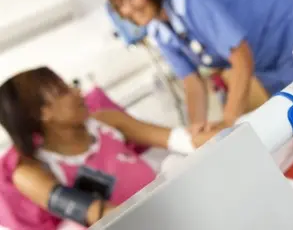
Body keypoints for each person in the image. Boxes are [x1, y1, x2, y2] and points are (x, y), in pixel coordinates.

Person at [102, 0, 293, 135]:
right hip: (268, 60)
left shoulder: (190, 1)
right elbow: (191, 81)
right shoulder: (158, 30)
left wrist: (228, 121)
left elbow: (241, 57)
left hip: (290, 30)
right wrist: (197, 128)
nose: (128, 10)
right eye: (119, 5)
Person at [0, 67, 217, 229]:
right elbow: (96, 213)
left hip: (169, 207)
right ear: (42, 113)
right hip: (136, 223)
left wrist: (231, 131)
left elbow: (178, 139)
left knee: (177, 162)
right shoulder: (31, 173)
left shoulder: (106, 122)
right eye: (63, 91)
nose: (77, 91)